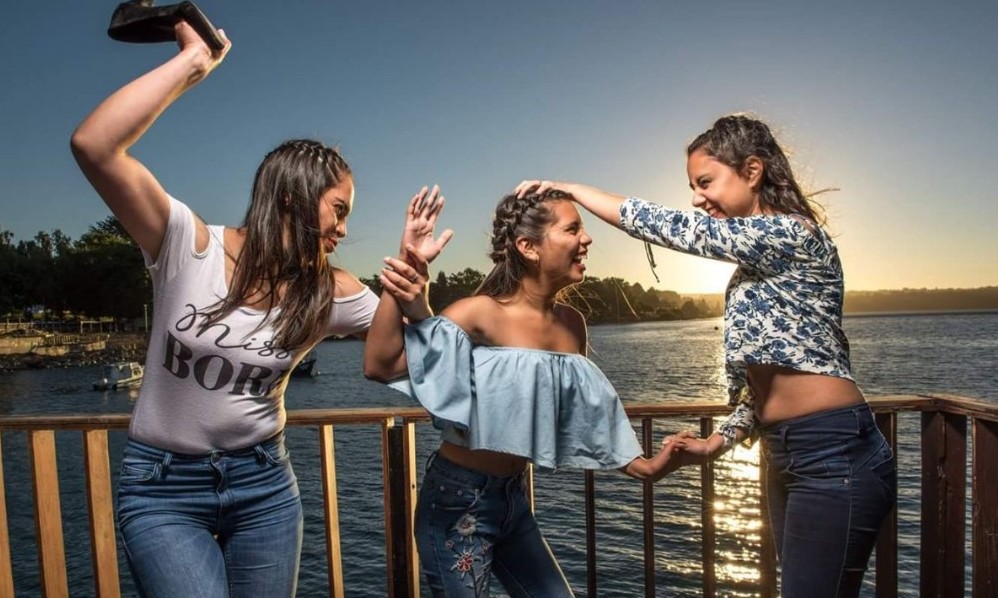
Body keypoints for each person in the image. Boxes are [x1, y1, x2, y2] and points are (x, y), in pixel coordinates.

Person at [70, 22, 448, 597]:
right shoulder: (185, 245)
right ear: (293, 198)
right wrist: (193, 63)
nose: (344, 230)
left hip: (265, 488)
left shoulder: (328, 291)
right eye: (338, 210)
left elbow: (401, 359)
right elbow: (94, 145)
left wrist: (411, 289)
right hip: (163, 489)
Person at [514, 114, 897, 597]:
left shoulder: (792, 235)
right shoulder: (753, 266)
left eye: (705, 182)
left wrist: (569, 189)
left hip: (834, 451)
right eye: (693, 186)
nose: (697, 197)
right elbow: (763, 386)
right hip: (791, 451)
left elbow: (675, 228)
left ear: (752, 171)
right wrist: (718, 442)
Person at [364, 188, 678, 597]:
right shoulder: (480, 313)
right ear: (528, 247)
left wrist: (645, 467)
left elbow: (583, 423)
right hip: (457, 501)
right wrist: (402, 275)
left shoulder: (572, 325)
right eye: (573, 229)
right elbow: (380, 364)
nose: (587, 239)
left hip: (513, 500)